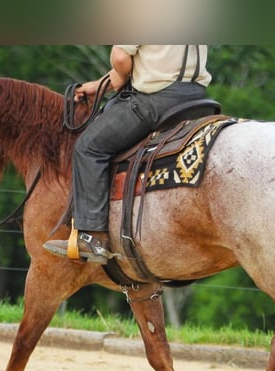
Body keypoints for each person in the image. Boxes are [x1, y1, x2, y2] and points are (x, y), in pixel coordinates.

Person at [44, 45, 212, 264]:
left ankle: (92, 238)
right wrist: (98, 86)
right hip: (196, 98)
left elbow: (121, 59)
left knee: (88, 148)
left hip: (157, 101)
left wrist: (122, 76)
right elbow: (152, 63)